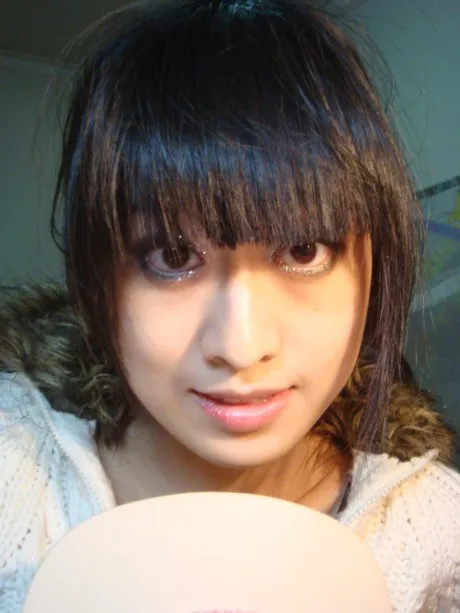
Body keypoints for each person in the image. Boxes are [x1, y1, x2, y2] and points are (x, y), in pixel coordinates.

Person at [0, 0, 459, 611]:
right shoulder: (14, 478)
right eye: (172, 256)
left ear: (371, 265)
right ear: (97, 279)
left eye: (303, 250)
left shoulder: (435, 532)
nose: (241, 347)